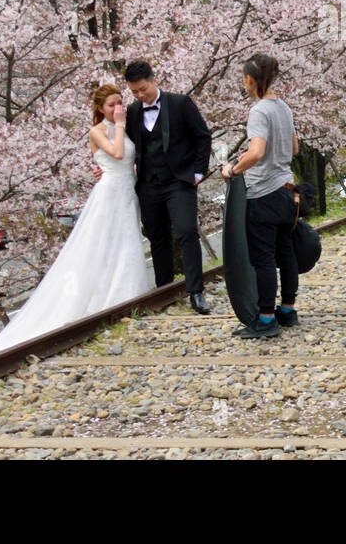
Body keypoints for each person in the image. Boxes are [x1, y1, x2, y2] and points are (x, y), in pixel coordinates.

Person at [0, 85, 153, 360]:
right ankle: (114, 301)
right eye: (111, 105)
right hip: (109, 194)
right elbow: (117, 154)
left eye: (120, 103)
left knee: (126, 243)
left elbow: (130, 158)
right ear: (99, 109)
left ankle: (130, 297)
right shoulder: (99, 131)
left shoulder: (125, 128)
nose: (118, 109)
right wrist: (118, 126)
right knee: (105, 245)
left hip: (127, 191)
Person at [122, 60, 213, 314]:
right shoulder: (132, 111)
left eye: (143, 89)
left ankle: (196, 291)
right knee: (157, 237)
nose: (140, 95)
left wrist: (198, 171)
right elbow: (126, 146)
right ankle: (164, 290)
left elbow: (202, 136)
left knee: (186, 231)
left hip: (179, 180)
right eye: (135, 92)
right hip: (148, 184)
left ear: (154, 80)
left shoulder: (180, 103)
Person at [220, 54, 300, 338]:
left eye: (244, 78)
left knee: (264, 258)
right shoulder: (284, 108)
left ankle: (266, 319)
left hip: (263, 193)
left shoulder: (259, 111)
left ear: (250, 79)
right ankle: (288, 310)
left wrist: (233, 169)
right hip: (287, 191)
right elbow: (294, 149)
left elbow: (256, 152)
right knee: (285, 252)